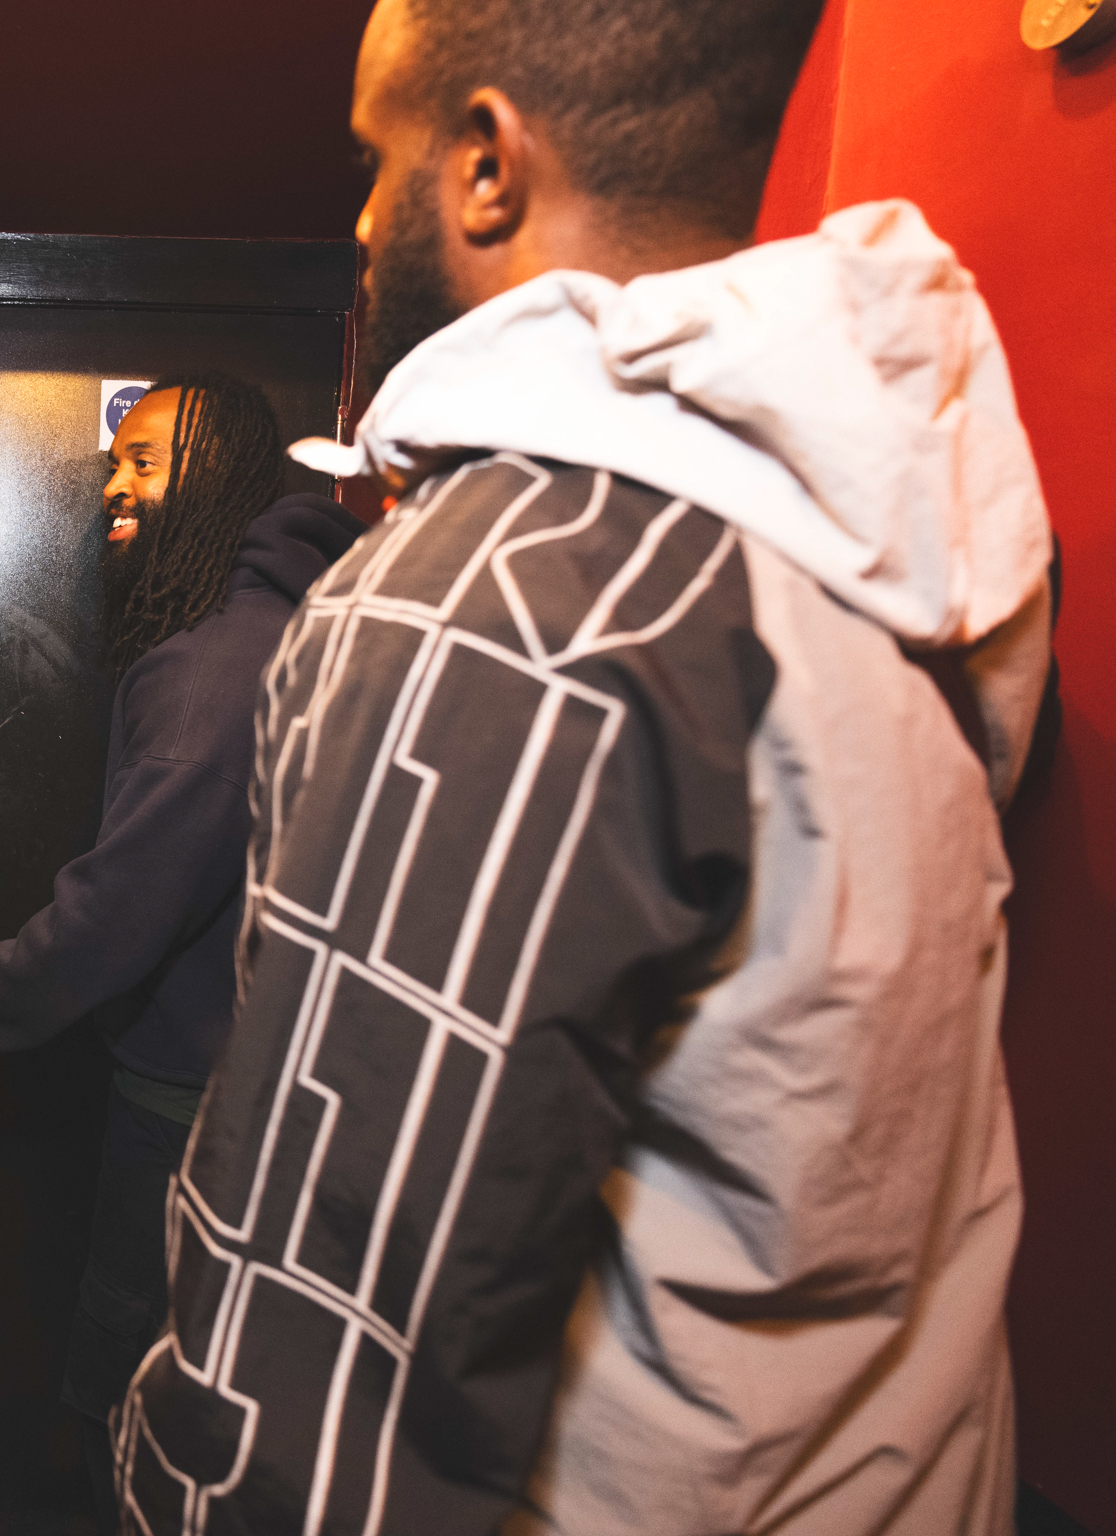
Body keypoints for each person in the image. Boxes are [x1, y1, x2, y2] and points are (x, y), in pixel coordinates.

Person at [114, 1, 1052, 1531]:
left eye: (377, 158)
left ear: (485, 165)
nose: (358, 217)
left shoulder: (506, 606)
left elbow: (315, 1416)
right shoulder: (872, 544)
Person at [0, 372, 364, 1531]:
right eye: (113, 464)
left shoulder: (216, 669)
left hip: (191, 1114)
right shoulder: (283, 632)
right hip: (256, 1091)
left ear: (222, 482)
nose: (114, 489)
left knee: (127, 1408)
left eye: (147, 461)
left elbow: (105, 928)